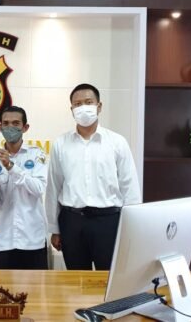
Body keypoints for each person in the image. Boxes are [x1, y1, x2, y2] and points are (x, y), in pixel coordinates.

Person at [45, 83, 141, 270]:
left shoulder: (117, 142)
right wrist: (54, 229)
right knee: (77, 279)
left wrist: (132, 229)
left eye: (88, 102)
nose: (83, 107)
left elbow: (129, 187)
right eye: (77, 104)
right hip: (72, 222)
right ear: (71, 110)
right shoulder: (61, 144)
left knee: (109, 278)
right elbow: (53, 188)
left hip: (108, 221)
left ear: (99, 106)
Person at [0, 106, 48, 270]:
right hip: (5, 239)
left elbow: (39, 188)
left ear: (25, 128)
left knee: (35, 286)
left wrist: (11, 166)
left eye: (16, 123)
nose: (10, 127)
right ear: (0, 127)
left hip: (32, 239)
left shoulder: (36, 155)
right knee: (4, 286)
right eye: (6, 123)